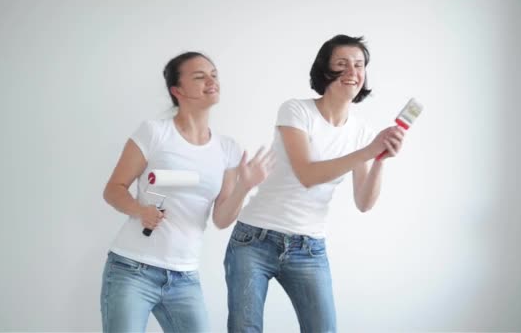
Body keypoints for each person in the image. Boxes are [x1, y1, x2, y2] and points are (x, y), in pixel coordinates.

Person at [223, 35, 406, 332]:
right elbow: (306, 174)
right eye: (342, 64)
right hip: (255, 240)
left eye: (359, 65)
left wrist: (379, 160)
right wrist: (369, 150)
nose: (353, 72)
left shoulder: (361, 132)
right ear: (325, 71)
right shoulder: (296, 110)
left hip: (308, 247)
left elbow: (364, 202)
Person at [101, 51, 273, 332]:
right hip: (132, 270)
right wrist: (140, 210)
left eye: (214, 74)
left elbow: (221, 218)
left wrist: (245, 186)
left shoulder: (227, 149)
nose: (211, 80)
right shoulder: (154, 133)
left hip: (184, 277)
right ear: (177, 90)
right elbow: (113, 189)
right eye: (199, 76)